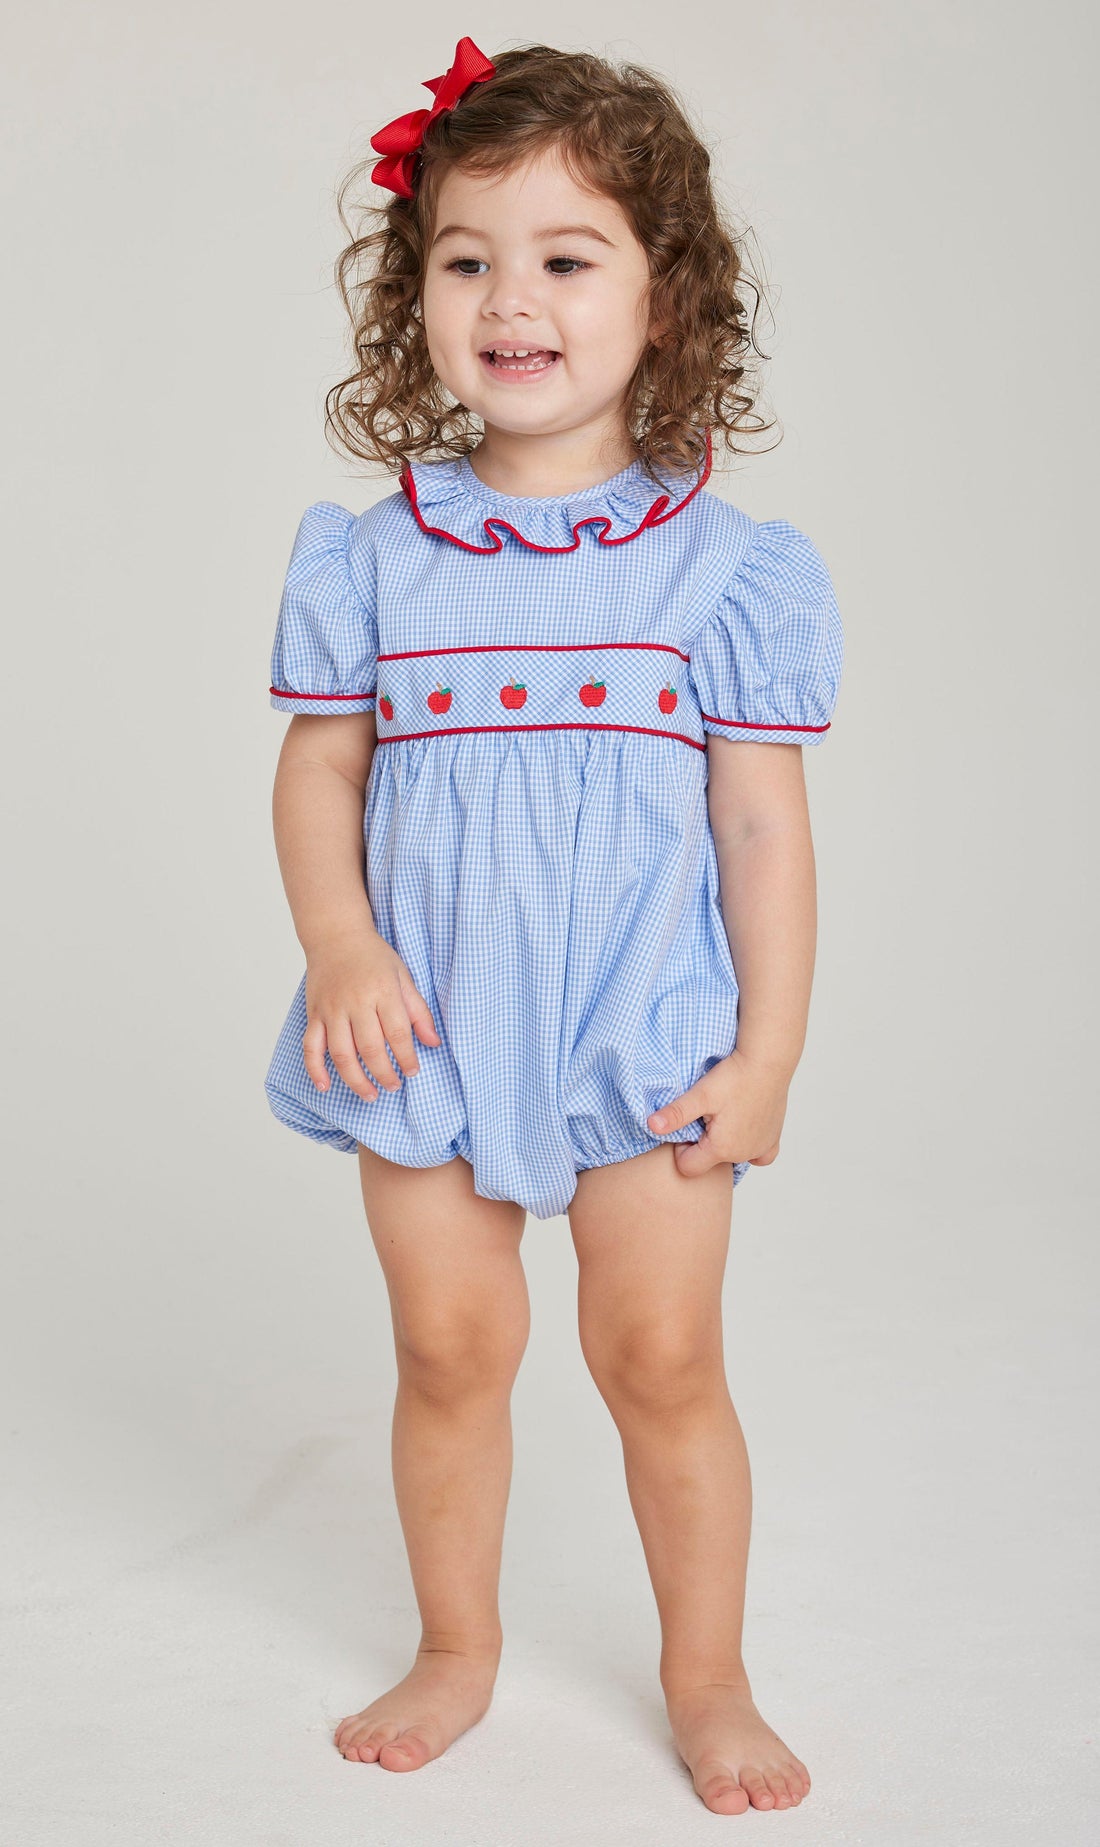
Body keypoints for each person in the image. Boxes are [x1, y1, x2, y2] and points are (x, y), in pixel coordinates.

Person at [264, 36, 843, 1818]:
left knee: (660, 1358)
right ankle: (457, 1645)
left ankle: (708, 1675)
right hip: (425, 1021)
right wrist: (342, 945)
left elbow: (762, 826)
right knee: (450, 1349)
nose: (511, 298)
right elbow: (321, 773)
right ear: (414, 298)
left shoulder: (720, 568)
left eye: (566, 257)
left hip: (641, 1023)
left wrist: (767, 1053)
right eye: (466, 258)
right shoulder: (377, 558)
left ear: (665, 300)